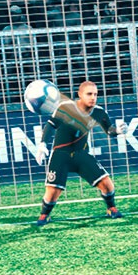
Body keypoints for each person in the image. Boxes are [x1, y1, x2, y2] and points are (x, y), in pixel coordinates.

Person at [33, 80, 123, 227]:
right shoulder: (66, 108)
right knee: (53, 193)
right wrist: (42, 144)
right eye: (89, 94)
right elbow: (51, 125)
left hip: (81, 154)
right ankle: (44, 215)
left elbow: (109, 130)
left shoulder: (99, 112)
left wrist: (117, 131)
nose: (93, 97)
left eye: (95, 94)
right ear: (80, 94)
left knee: (107, 185)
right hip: (61, 154)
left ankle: (111, 208)